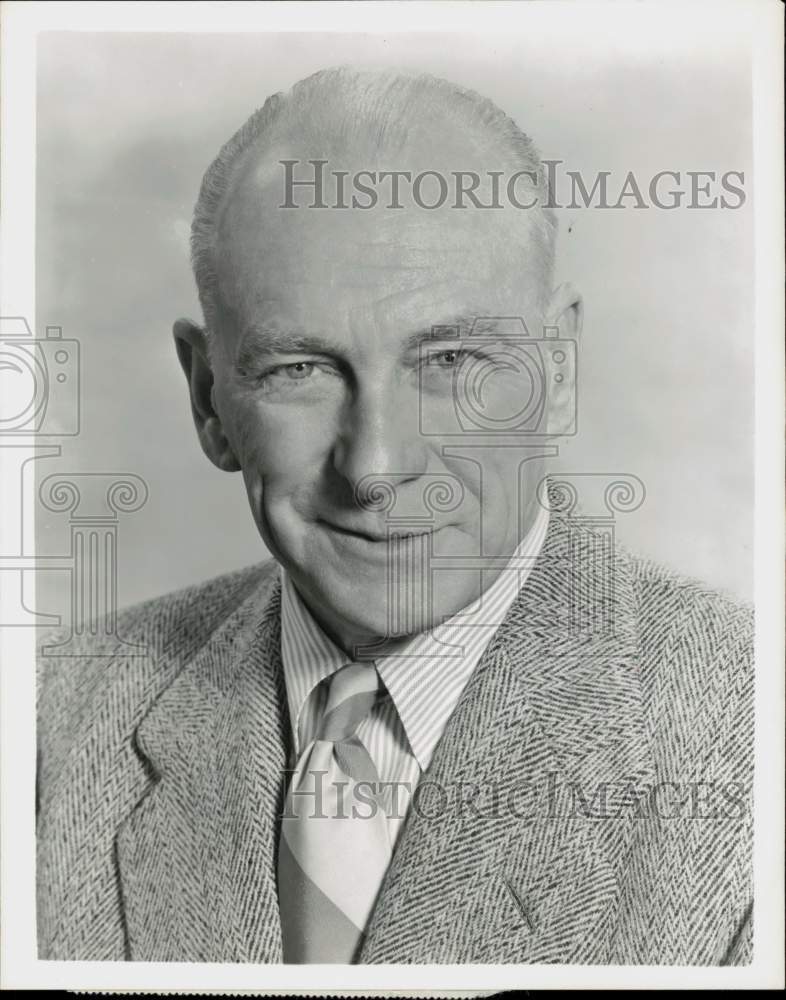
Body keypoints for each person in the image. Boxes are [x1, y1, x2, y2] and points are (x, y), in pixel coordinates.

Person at [36, 67, 753, 965]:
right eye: (300, 369)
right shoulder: (40, 726)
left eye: (450, 360)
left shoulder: (752, 740)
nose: (376, 466)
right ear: (209, 398)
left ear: (558, 372)